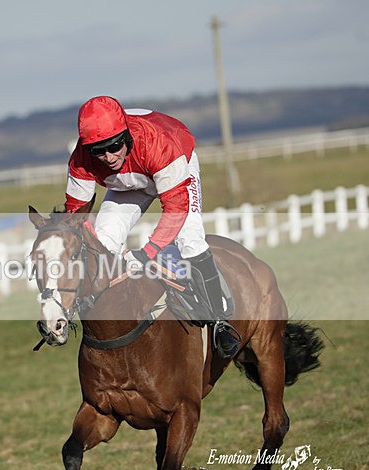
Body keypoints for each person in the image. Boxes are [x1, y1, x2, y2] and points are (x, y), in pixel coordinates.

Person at [64, 95, 239, 357]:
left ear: (126, 136)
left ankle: (219, 322)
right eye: (98, 150)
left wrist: (146, 253)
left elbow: (175, 209)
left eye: (114, 146)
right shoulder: (81, 158)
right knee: (102, 243)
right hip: (127, 182)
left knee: (189, 240)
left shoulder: (159, 145)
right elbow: (75, 216)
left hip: (174, 164)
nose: (108, 157)